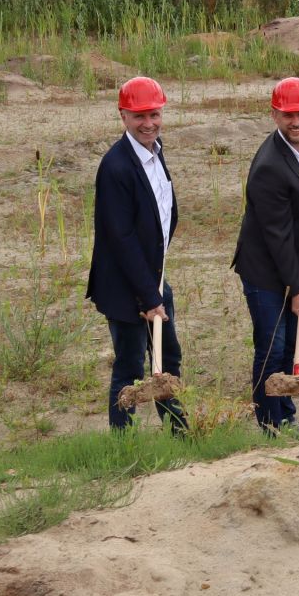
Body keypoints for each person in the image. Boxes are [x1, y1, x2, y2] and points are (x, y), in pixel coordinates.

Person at [232, 77, 299, 432]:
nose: (297, 121)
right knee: (272, 348)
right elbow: (276, 237)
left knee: (291, 342)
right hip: (265, 270)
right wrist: (298, 288)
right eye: (288, 115)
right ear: (274, 114)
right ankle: (270, 424)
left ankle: (286, 415)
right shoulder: (268, 168)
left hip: (293, 260)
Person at [87, 76, 186, 432]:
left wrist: (155, 286)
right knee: (130, 368)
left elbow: (163, 215)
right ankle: (123, 439)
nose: (149, 124)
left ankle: (179, 432)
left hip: (153, 279)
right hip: (126, 287)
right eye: (139, 116)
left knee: (169, 358)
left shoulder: (156, 153)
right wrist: (147, 296)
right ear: (123, 116)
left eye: (154, 115)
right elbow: (121, 238)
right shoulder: (116, 166)